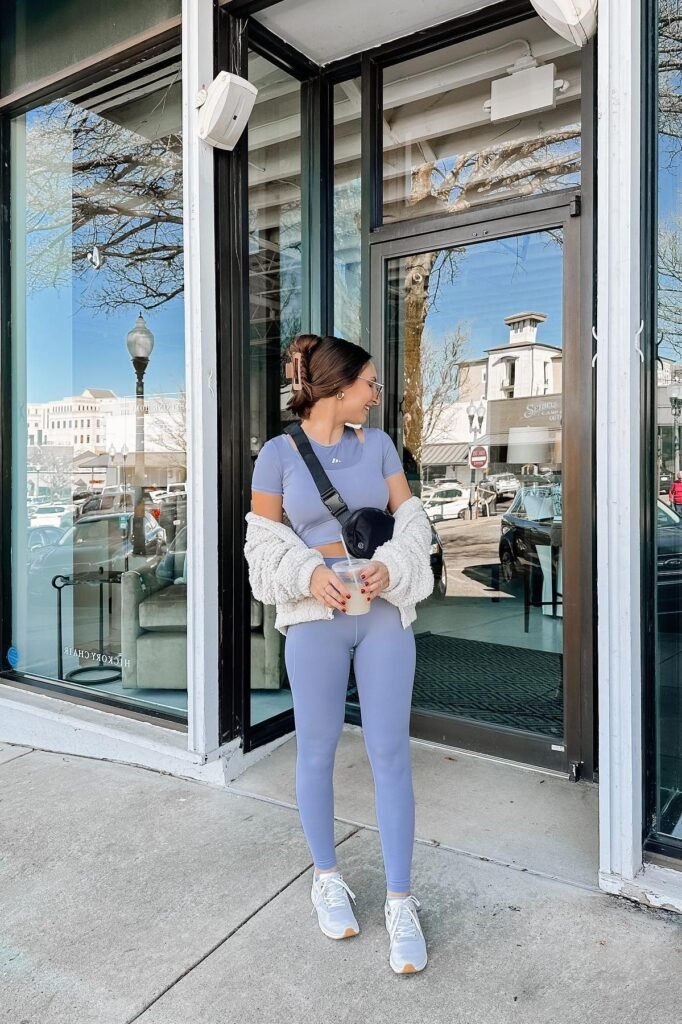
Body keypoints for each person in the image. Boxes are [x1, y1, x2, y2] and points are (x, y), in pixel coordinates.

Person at [244, 334, 434, 975]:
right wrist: (306, 573)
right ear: (337, 386)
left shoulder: (378, 446)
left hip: (381, 613)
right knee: (317, 749)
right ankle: (326, 878)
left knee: (390, 753)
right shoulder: (276, 456)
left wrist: (393, 564)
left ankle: (401, 901)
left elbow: (415, 523)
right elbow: (261, 545)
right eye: (369, 384)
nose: (376, 395)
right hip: (315, 618)